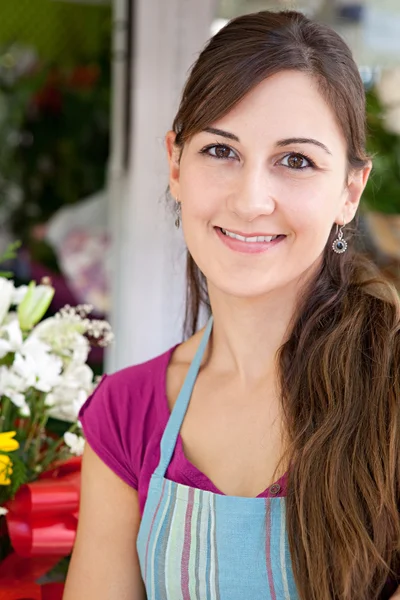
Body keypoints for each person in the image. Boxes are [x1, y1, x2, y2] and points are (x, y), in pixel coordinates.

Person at [63, 10, 400, 600]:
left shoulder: (391, 384)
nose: (251, 200)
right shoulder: (125, 412)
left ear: (350, 190)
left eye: (295, 160)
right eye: (221, 151)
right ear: (175, 163)